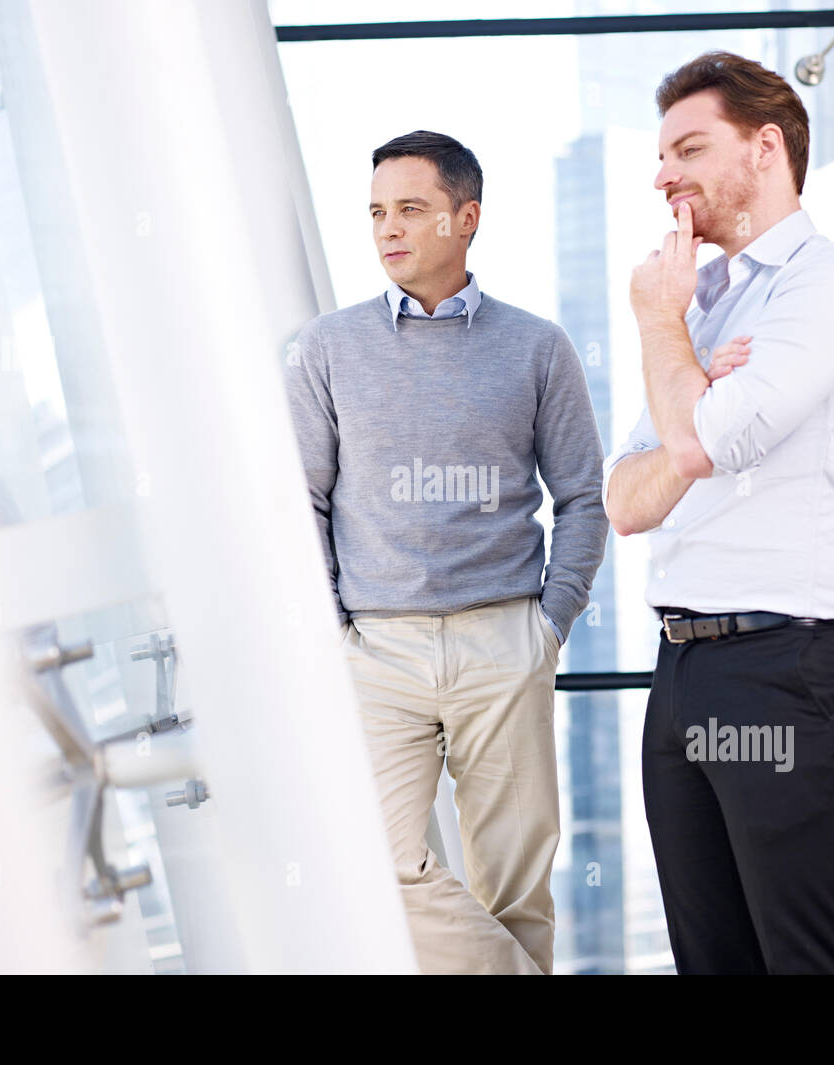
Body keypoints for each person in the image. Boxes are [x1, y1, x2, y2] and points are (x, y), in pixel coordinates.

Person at [604, 52, 834, 974]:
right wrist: (691, 380)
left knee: (816, 964)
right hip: (683, 668)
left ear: (766, 148)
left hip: (788, 666)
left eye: (689, 148)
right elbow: (625, 497)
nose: (663, 176)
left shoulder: (828, 285)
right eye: (660, 156)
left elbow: (695, 449)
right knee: (713, 964)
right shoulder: (711, 307)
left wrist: (662, 333)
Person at [286, 130, 608, 974]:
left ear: (466, 219)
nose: (389, 229)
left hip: (502, 638)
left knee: (513, 886)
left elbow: (583, 496)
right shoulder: (326, 348)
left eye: (412, 210)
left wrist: (550, 625)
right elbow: (303, 502)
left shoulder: (537, 347)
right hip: (378, 649)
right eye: (377, 212)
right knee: (379, 863)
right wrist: (338, 628)